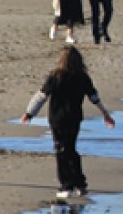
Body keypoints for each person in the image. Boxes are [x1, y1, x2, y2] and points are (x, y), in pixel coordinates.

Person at [21, 46, 116, 198]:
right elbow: (94, 97)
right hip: (74, 119)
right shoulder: (83, 77)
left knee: (61, 150)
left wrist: (29, 113)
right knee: (70, 149)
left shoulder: (55, 76)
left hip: (57, 119)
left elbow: (41, 96)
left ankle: (67, 185)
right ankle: (80, 182)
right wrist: (105, 113)